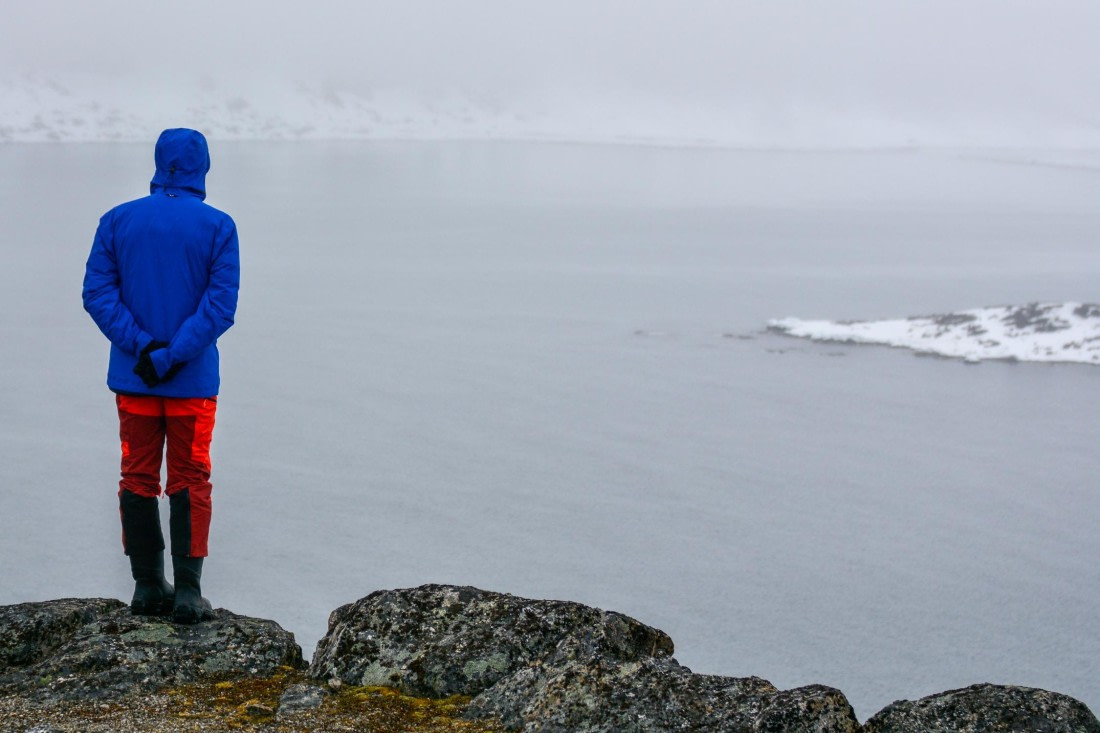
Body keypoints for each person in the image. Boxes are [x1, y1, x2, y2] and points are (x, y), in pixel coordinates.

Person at [83, 128, 240, 624]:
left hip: (134, 378)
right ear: (203, 167)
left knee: (137, 474)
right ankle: (189, 594)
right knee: (191, 476)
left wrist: (143, 347)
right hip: (191, 382)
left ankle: (148, 586)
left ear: (158, 163)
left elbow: (98, 294)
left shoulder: (116, 221)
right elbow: (219, 307)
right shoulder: (219, 226)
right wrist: (172, 354)